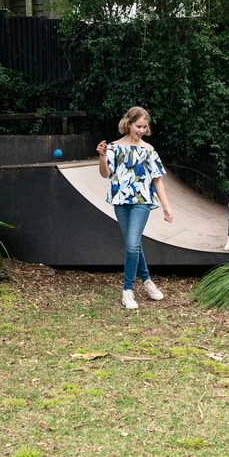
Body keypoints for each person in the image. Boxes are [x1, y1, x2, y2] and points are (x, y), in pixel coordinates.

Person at [96, 106, 174, 310]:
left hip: (142, 201)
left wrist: (166, 207)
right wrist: (102, 156)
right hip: (120, 202)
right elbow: (105, 174)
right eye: (138, 126)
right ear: (129, 124)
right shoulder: (113, 147)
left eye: (144, 127)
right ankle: (147, 281)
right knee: (135, 245)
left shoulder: (148, 149)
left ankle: (127, 291)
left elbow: (157, 180)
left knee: (131, 245)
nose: (141, 130)